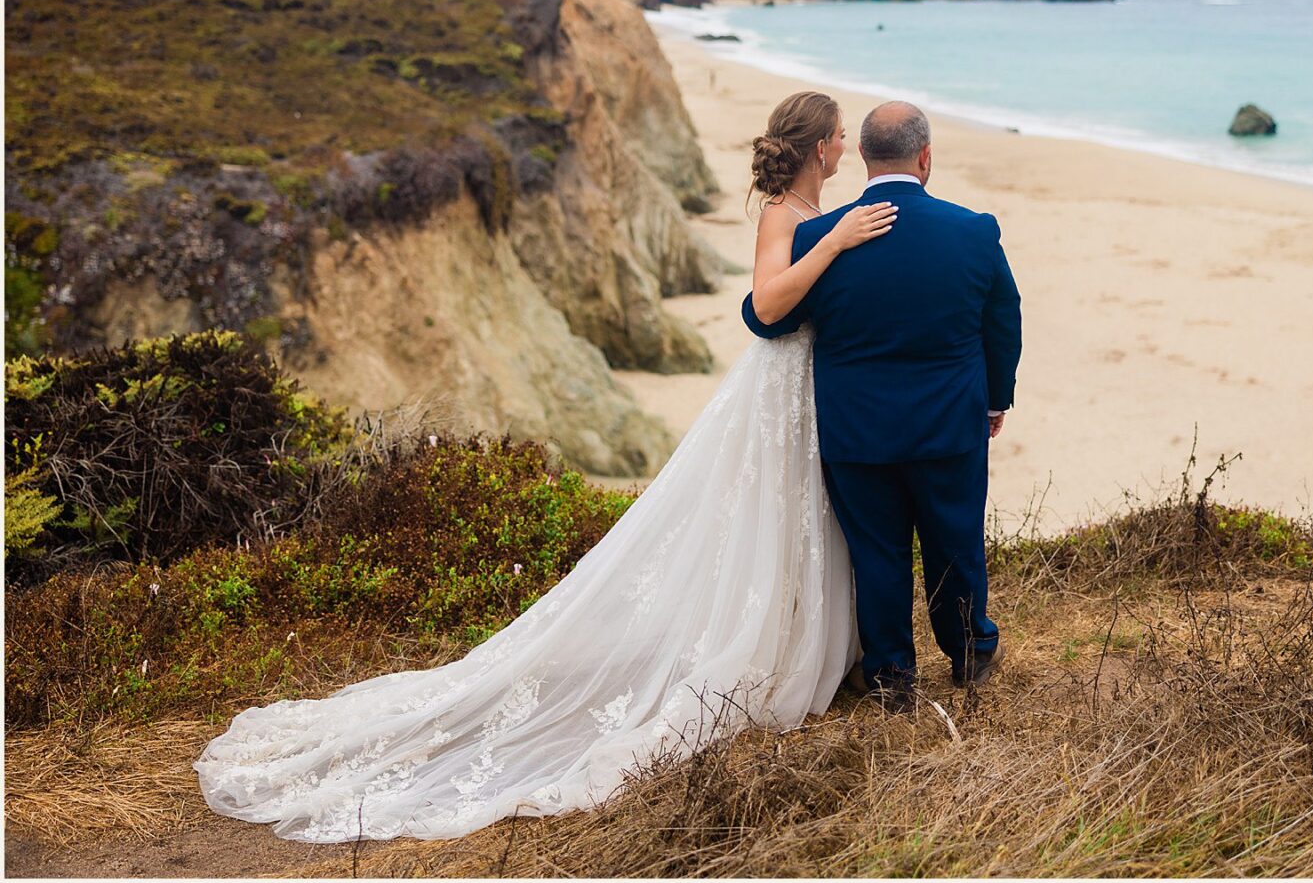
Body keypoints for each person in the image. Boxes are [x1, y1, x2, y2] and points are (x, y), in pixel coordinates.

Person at [192, 90, 896, 843]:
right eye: (839, 135)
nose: (846, 143)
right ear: (819, 146)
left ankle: (802, 636)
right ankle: (763, 647)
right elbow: (766, 301)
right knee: (766, 511)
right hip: (777, 385)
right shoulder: (785, 219)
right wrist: (833, 245)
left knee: (794, 515)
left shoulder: (822, 215)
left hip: (810, 387)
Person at [742, 100, 1023, 710]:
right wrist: (995, 401)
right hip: (950, 424)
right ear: (925, 158)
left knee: (877, 551)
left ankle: (894, 676)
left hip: (855, 428)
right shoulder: (973, 230)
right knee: (954, 540)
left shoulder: (820, 236)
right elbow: (1003, 323)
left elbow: (771, 320)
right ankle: (970, 652)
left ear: (865, 158)